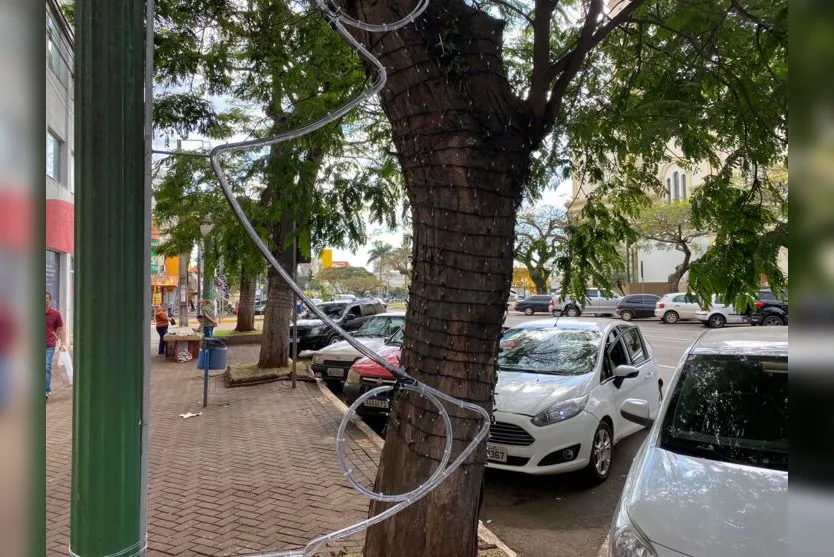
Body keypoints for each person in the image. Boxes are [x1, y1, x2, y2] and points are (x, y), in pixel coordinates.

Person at [45, 291, 66, 400]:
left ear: (50, 300)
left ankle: (46, 391)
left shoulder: (56, 314)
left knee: (46, 367)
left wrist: (63, 343)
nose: (45, 300)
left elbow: (61, 329)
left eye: (47, 298)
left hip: (49, 345)